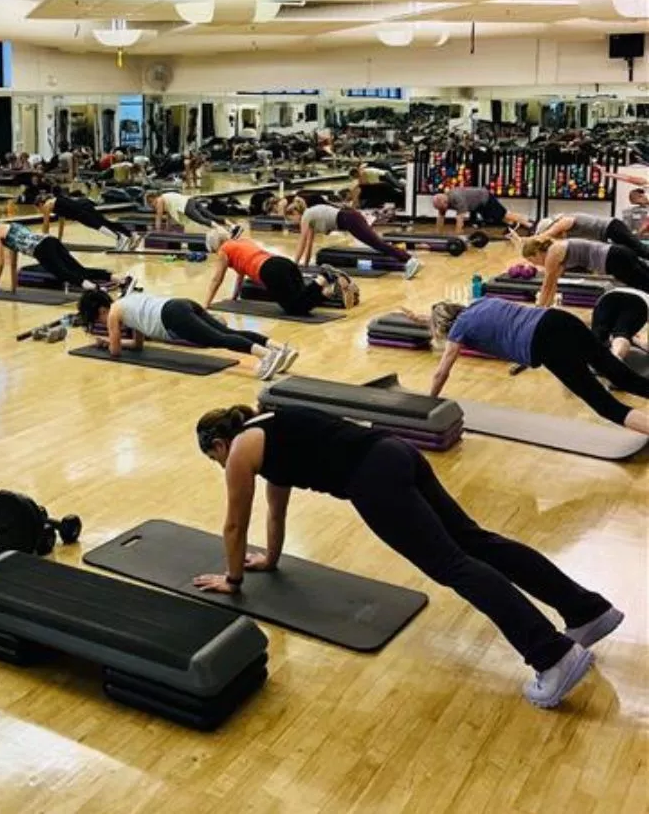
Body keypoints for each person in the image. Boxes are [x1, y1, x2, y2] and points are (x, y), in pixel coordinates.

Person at [191, 404, 622, 708]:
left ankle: (553, 655)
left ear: (217, 444)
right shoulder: (270, 429)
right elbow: (274, 509)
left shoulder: (241, 452)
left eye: (213, 458)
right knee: (476, 542)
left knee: (453, 565)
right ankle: (586, 611)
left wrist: (232, 580)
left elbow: (234, 525)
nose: (218, 466)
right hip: (395, 452)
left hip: (373, 479)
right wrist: (270, 557)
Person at [406, 297, 649, 434]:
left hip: (545, 342)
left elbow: (442, 372)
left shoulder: (458, 331)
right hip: (559, 319)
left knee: (605, 405)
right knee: (623, 376)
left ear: (443, 327)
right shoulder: (479, 303)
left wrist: (431, 400)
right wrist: (423, 317)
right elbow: (449, 317)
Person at [76, 288, 298, 380]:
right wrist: (119, 341)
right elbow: (137, 345)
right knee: (227, 332)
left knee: (218, 339)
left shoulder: (113, 314)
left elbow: (115, 352)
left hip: (172, 316)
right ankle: (278, 348)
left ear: (101, 311)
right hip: (180, 304)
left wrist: (106, 340)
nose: (102, 323)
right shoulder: (126, 302)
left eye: (97, 320)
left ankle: (265, 356)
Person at [203, 228, 359, 314]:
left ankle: (324, 276)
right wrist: (234, 296)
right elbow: (240, 274)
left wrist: (206, 304)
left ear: (214, 245)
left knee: (293, 308)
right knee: (304, 303)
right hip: (282, 263)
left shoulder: (223, 250)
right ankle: (330, 289)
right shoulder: (241, 242)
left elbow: (217, 279)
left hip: (270, 271)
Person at [294, 202, 421, 280]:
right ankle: (408, 259)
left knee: (377, 244)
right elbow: (309, 242)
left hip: (350, 219)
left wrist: (294, 265)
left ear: (295, 213)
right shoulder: (309, 215)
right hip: (350, 218)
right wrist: (304, 266)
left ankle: (409, 259)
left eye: (291, 217)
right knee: (377, 244)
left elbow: (302, 241)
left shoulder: (306, 216)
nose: (292, 221)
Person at [0, 217, 102, 294]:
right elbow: (13, 264)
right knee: (76, 268)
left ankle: (94, 288)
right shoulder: (9, 227)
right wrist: (13, 288)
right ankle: (112, 278)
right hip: (50, 240)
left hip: (41, 249)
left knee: (63, 273)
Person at [518, 236, 649, 306]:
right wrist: (546, 306)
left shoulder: (553, 254)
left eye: (532, 260)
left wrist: (539, 309)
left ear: (536, 253)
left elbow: (546, 285)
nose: (535, 264)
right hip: (618, 254)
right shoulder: (556, 249)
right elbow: (553, 284)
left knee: (643, 285)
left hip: (614, 259)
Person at [36, 191, 138, 251]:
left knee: (97, 225)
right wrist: (59, 239)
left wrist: (44, 240)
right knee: (104, 222)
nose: (40, 211)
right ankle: (130, 234)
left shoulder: (47, 205)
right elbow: (61, 222)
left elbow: (46, 224)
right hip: (84, 205)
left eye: (38, 208)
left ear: (40, 204)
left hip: (80, 210)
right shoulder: (55, 203)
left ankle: (120, 238)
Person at [535, 211, 649, 261]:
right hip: (608, 233)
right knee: (630, 254)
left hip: (612, 227)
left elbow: (568, 222)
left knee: (641, 250)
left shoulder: (563, 220)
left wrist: (544, 235)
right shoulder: (564, 235)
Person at [432, 187, 531, 234]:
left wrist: (457, 237)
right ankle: (513, 224)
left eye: (441, 208)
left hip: (485, 198)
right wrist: (438, 235)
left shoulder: (456, 197)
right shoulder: (443, 202)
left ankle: (529, 224)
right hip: (477, 205)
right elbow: (440, 217)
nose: (442, 210)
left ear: (444, 202)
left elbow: (460, 220)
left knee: (504, 215)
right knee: (496, 218)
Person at [145, 191, 242, 238]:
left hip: (186, 206)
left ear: (153, 199)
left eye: (150, 203)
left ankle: (226, 233)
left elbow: (158, 217)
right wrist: (167, 229)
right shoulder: (165, 199)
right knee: (212, 216)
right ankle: (234, 226)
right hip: (191, 201)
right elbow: (169, 217)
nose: (152, 206)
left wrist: (157, 233)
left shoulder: (160, 200)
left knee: (201, 220)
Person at [590, 288, 649, 361]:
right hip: (639, 300)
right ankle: (615, 360)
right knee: (621, 333)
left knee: (597, 335)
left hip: (608, 296)